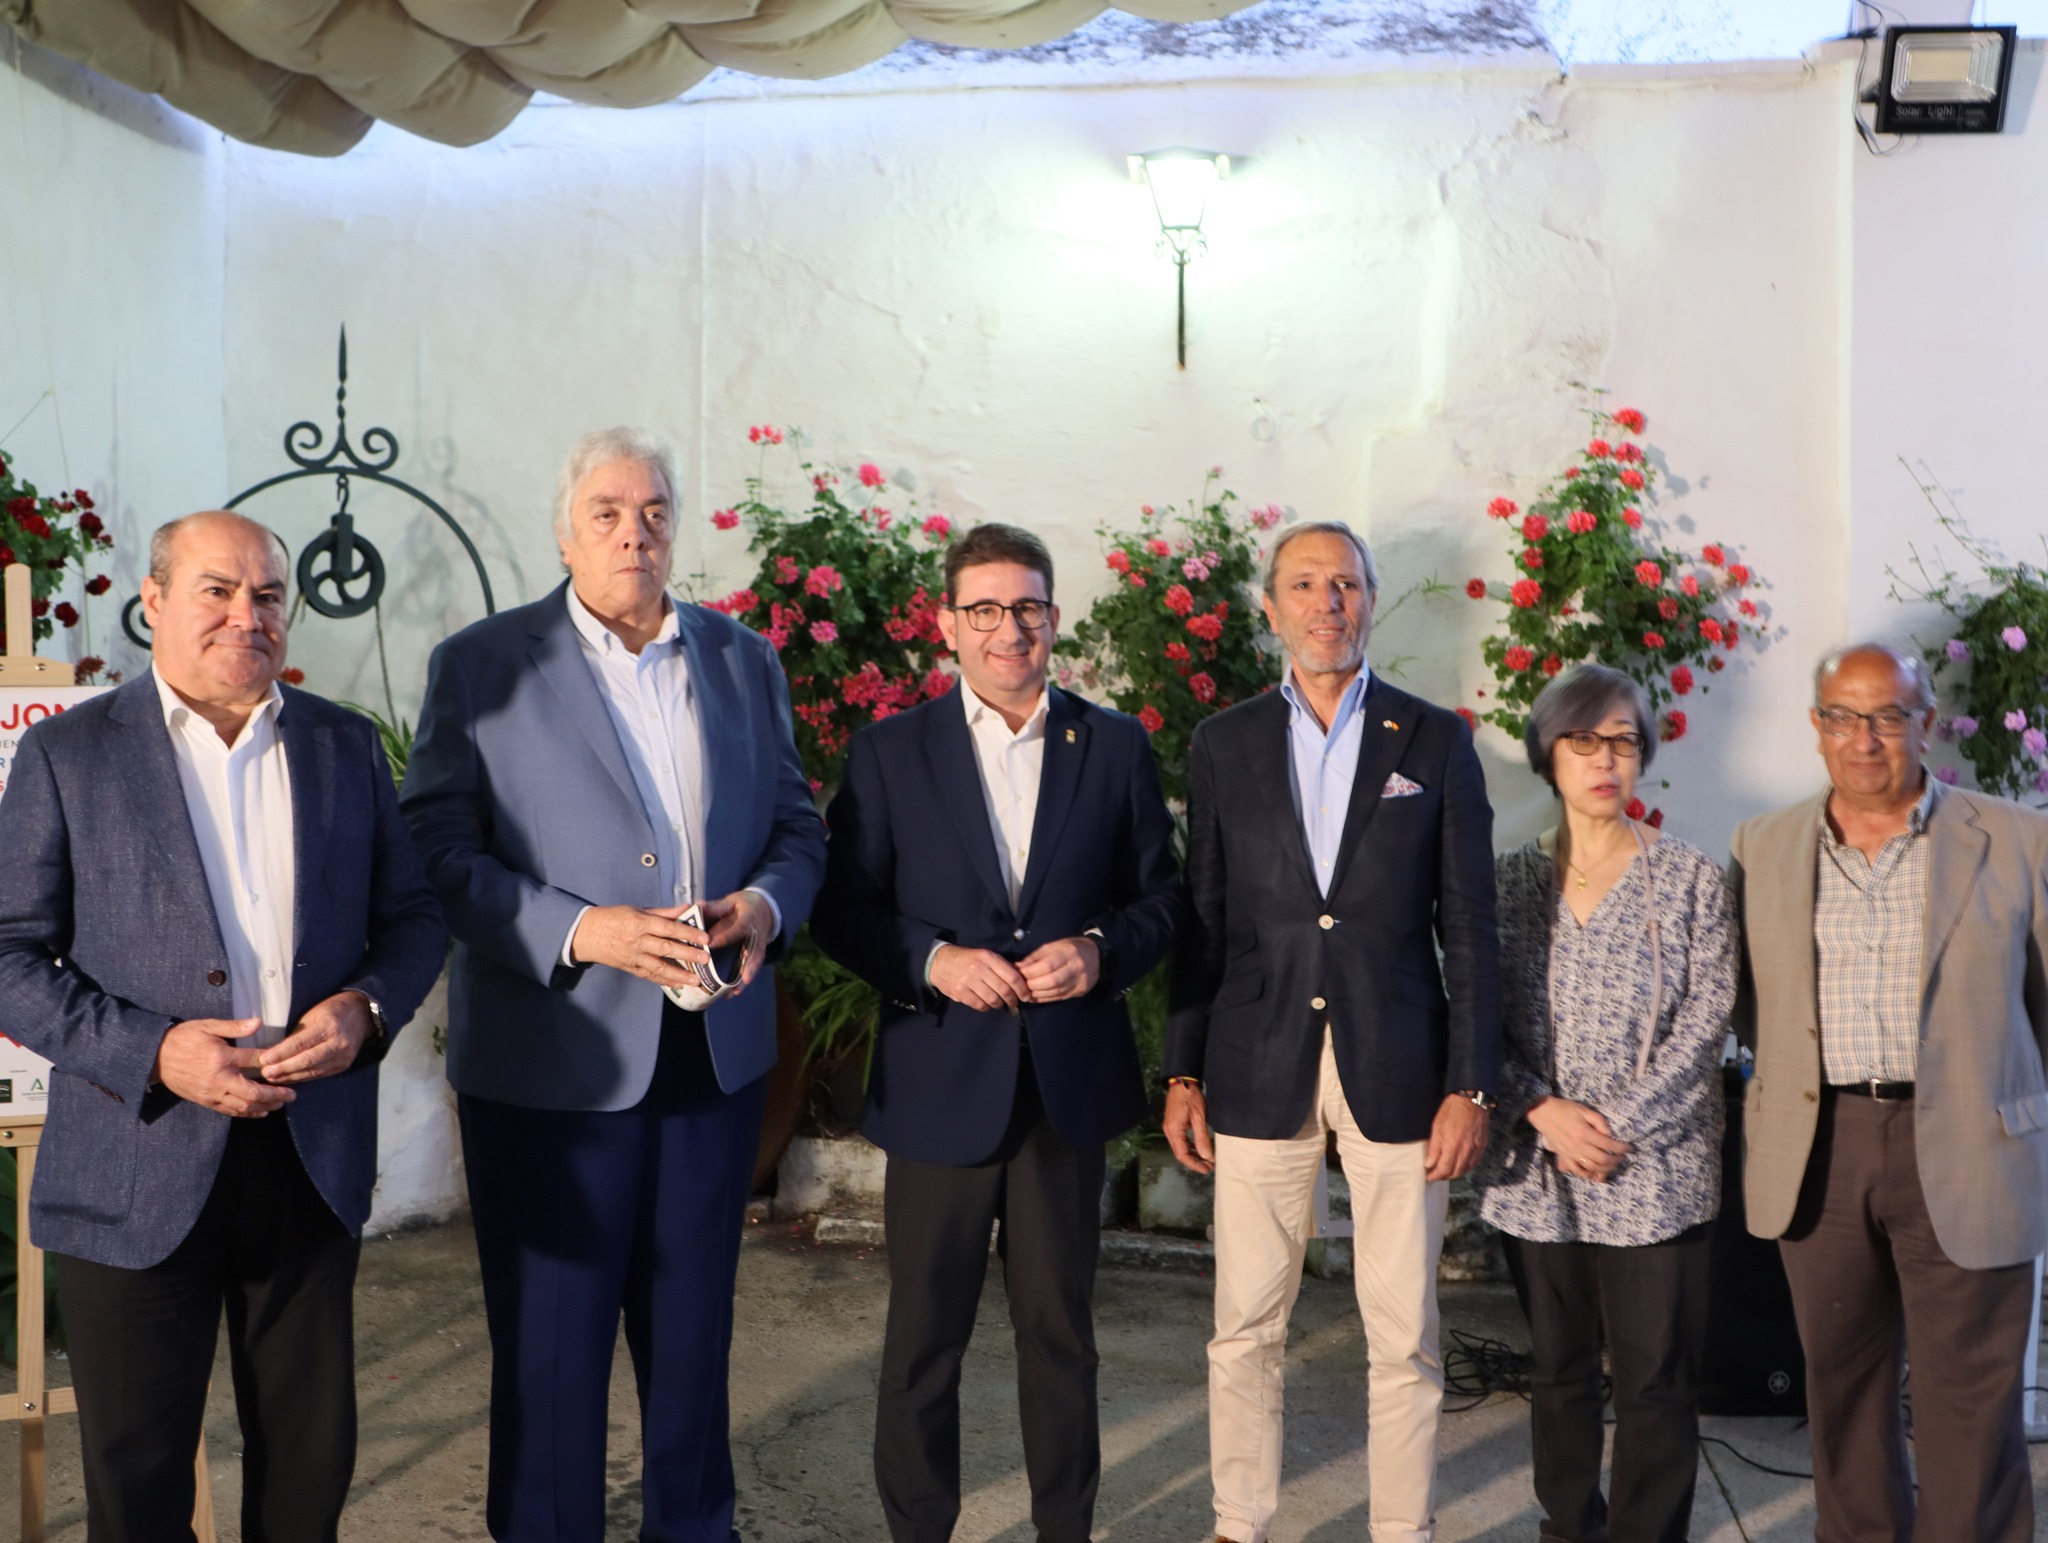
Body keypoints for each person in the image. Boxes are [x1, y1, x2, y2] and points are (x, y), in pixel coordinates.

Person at [400, 428, 826, 1543]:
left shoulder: (741, 659)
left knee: (692, 1339)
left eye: (652, 513)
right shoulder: (483, 664)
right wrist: (583, 930)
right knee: (551, 1346)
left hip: (712, 1059)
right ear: (564, 532)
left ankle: (693, 1528)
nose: (633, 533)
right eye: (606, 513)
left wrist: (763, 906)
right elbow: (436, 849)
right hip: (551, 1060)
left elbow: (795, 826)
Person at [0, 510, 446, 1542]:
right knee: (138, 1482)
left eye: (268, 595)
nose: (247, 615)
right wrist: (156, 1050)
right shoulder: (70, 754)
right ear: (153, 601)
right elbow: (9, 953)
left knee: (307, 1470)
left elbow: (414, 917)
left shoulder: (340, 744)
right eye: (217, 590)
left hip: (308, 1153)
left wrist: (366, 1008)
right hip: (135, 1160)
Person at [811, 522, 1179, 1543]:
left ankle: (1065, 1528)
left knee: (1060, 1335)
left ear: (1053, 618)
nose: (1006, 628)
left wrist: (1100, 950)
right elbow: (841, 910)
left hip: (1063, 1087)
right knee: (922, 1339)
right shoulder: (890, 752)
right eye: (983, 609)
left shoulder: (1113, 746)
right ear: (947, 624)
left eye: (1025, 607)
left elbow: (1162, 901)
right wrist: (931, 959)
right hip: (940, 1081)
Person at [1163, 520, 1501, 1543]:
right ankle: (1239, 1522)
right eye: (1304, 584)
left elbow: (1469, 926)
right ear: (1270, 608)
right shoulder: (1222, 743)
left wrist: (1470, 1084)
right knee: (1243, 1326)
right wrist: (1182, 1070)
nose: (1327, 603)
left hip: (1399, 1066)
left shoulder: (1433, 739)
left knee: (1403, 1333)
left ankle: (1403, 1529)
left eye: (1345, 584)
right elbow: (1203, 918)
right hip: (1255, 1057)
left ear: (1370, 601)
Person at [1731, 641, 2048, 1543]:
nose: (1863, 737)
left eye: (1887, 716)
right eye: (1843, 716)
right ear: (1816, 726)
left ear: (1926, 723)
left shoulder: (2019, 839)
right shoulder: (1762, 845)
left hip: (1972, 1142)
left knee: (1971, 1393)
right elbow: (1752, 1001)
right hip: (1820, 1147)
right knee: (1842, 1383)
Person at [1476, 663, 1736, 1543]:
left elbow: (1706, 1021)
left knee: (1655, 1379)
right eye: (1583, 739)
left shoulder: (1690, 879)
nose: (1604, 759)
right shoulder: (1507, 883)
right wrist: (1542, 1111)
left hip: (1655, 1165)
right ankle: (1568, 1526)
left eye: (1623, 740)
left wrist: (1613, 1125)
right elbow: (1472, 1016)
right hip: (1538, 1166)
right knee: (1558, 1370)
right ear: (1549, 754)